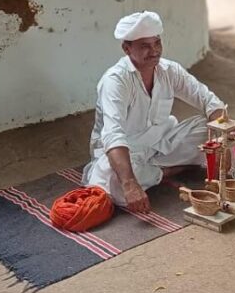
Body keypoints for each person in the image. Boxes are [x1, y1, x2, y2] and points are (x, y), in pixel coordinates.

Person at [82, 11, 226, 214]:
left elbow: (209, 100)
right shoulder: (115, 81)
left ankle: (154, 172)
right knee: (114, 184)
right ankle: (171, 170)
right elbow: (113, 136)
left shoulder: (170, 70)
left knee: (208, 128)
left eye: (157, 43)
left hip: (161, 142)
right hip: (125, 151)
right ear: (126, 48)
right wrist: (130, 184)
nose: (154, 51)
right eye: (145, 46)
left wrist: (223, 138)